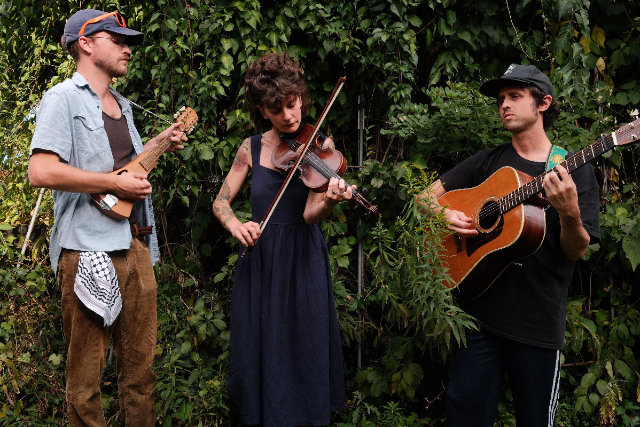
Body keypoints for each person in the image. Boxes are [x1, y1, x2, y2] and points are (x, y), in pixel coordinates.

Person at [28, 9, 187, 427]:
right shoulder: (62, 98)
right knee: (85, 383)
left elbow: (127, 170)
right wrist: (112, 183)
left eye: (127, 41)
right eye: (116, 39)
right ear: (85, 43)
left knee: (141, 375)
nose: (126, 48)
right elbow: (40, 171)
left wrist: (161, 142)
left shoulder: (123, 106)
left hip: (135, 246)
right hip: (86, 250)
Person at [421, 64, 601, 426]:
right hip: (479, 318)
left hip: (537, 324)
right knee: (464, 417)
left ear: (543, 103)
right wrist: (443, 215)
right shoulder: (489, 161)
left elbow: (576, 250)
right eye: (501, 98)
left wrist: (569, 213)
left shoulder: (572, 169)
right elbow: (424, 197)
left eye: (515, 96)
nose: (504, 104)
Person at [212, 52, 346, 426]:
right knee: (260, 342)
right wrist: (236, 225)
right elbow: (220, 201)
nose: (288, 116)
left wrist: (329, 201)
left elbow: (310, 214)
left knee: (305, 342)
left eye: (292, 103)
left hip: (303, 259)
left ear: (300, 97)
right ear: (262, 111)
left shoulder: (320, 145)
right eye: (277, 110)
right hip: (261, 260)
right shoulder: (250, 148)